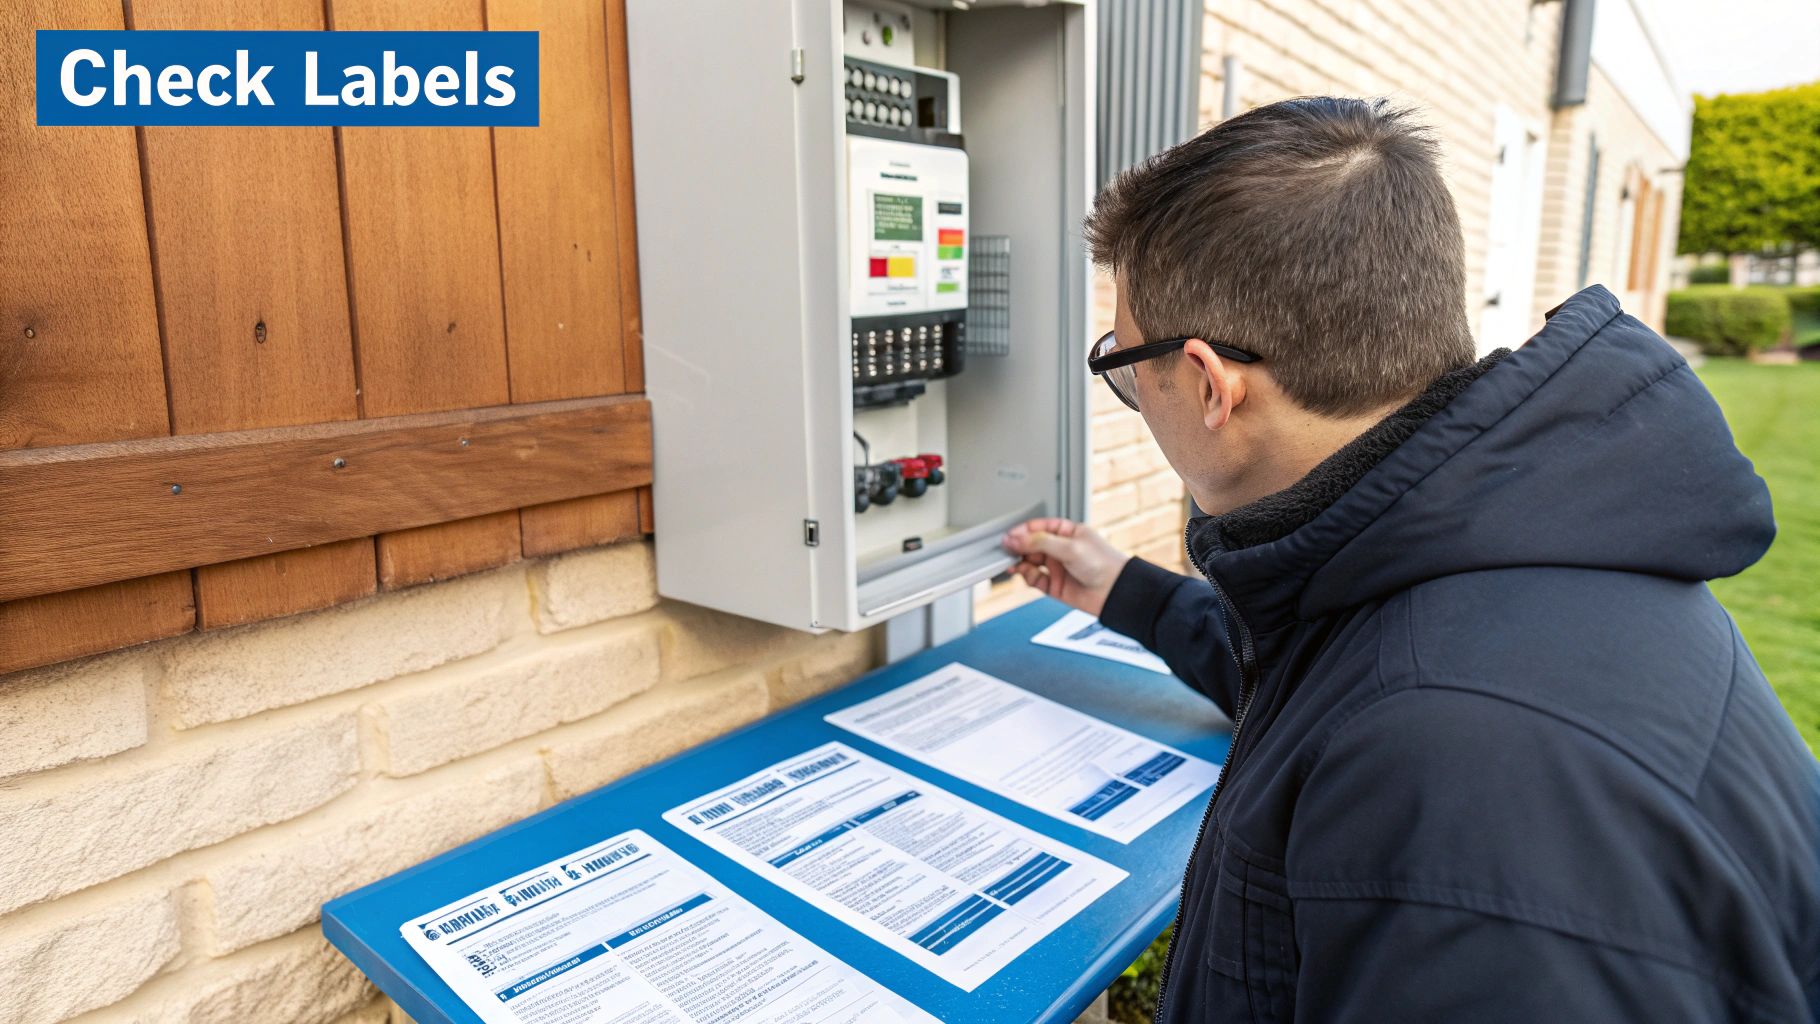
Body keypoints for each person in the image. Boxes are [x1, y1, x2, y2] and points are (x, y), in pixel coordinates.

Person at [1004, 96, 1820, 1022]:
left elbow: (1385, 709)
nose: (1131, 390)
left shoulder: (1461, 771)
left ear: (1207, 383)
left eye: (1123, 361)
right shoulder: (1497, 543)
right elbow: (1329, 681)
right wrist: (1127, 592)